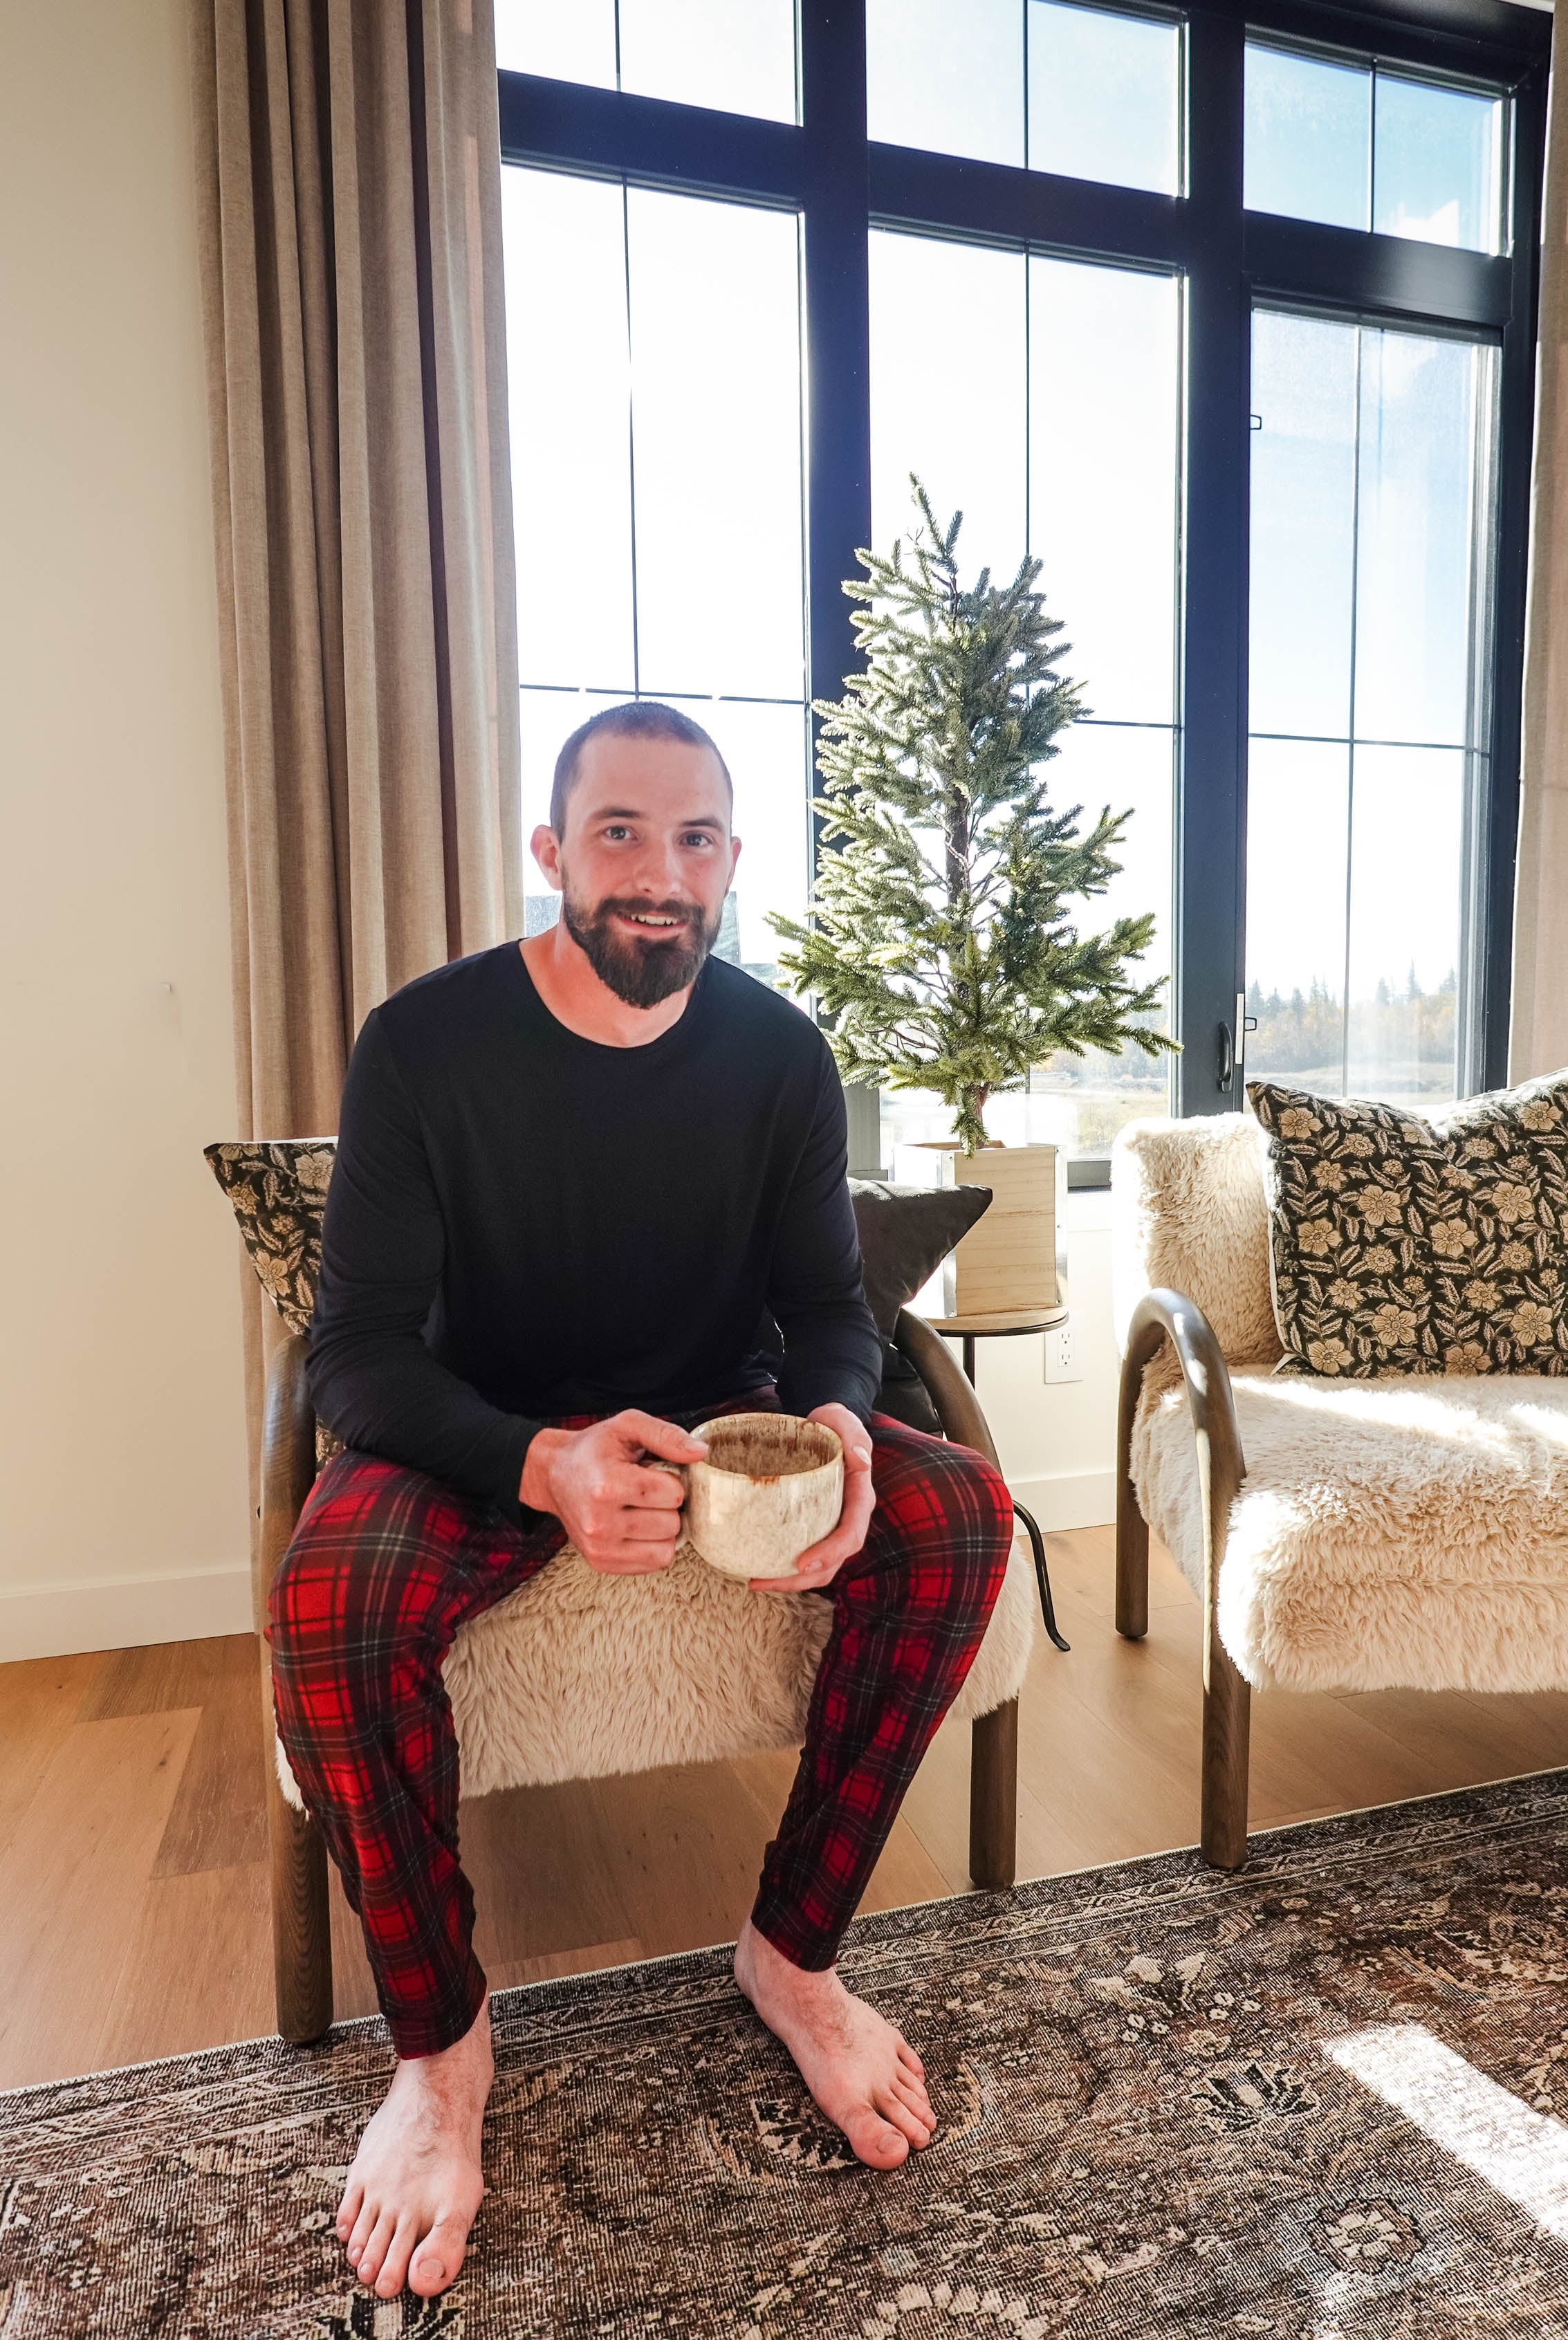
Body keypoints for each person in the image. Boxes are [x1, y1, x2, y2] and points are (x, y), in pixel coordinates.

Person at [268, 700, 1015, 2303]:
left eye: (695, 841)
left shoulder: (782, 1055)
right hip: (487, 1431)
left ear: (733, 863)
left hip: (713, 1429)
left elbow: (829, 1305)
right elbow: (353, 1359)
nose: (659, 877)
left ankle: (794, 1954)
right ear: (550, 852)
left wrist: (836, 1419)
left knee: (958, 1515)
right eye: (619, 834)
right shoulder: (421, 1045)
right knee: (330, 1592)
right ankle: (440, 2047)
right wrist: (538, 1462)